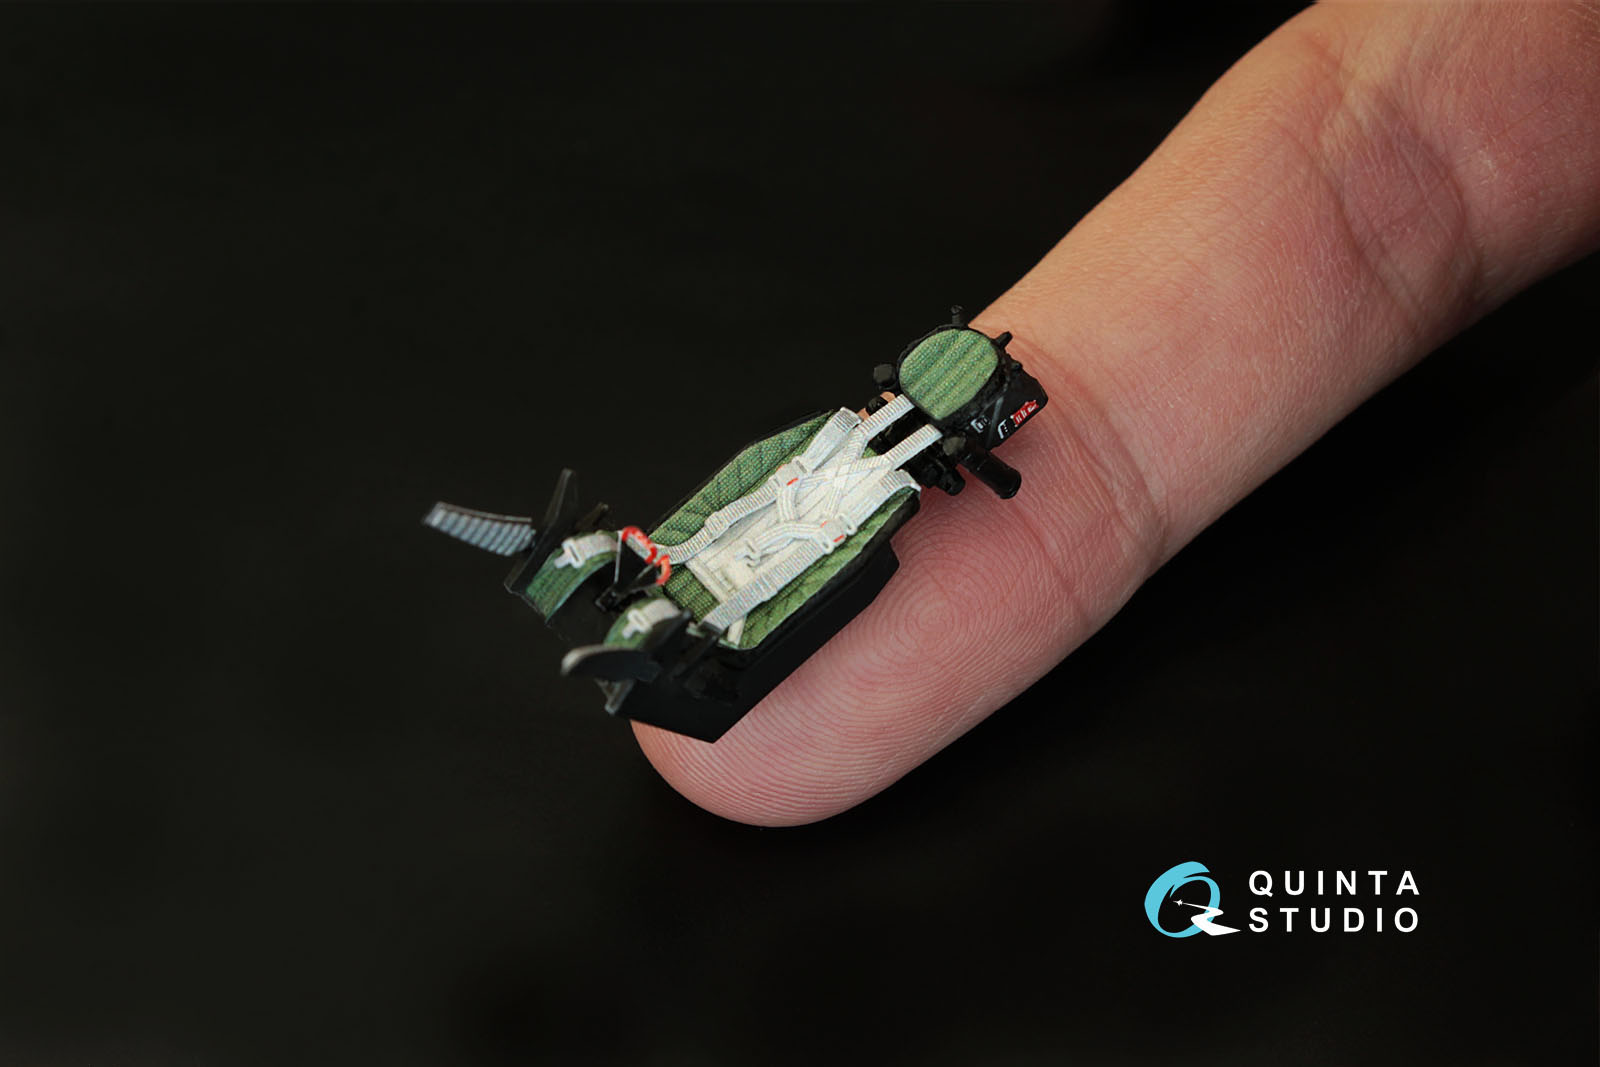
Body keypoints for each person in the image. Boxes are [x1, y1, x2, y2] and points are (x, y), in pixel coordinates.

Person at [635, 0, 1600, 825]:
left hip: (846, 492)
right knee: (781, 527)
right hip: (830, 486)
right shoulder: (847, 455)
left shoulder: (883, 476)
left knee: (798, 536)